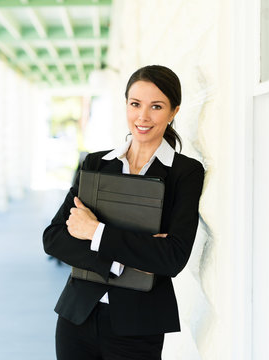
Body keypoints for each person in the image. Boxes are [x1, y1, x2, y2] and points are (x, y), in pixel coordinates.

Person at [43, 65, 205, 360]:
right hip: (76, 317)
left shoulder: (185, 173)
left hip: (138, 328)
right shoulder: (95, 164)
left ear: (173, 112)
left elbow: (171, 257)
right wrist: (124, 261)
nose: (143, 117)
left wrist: (95, 232)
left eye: (156, 106)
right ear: (126, 104)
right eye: (135, 104)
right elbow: (54, 239)